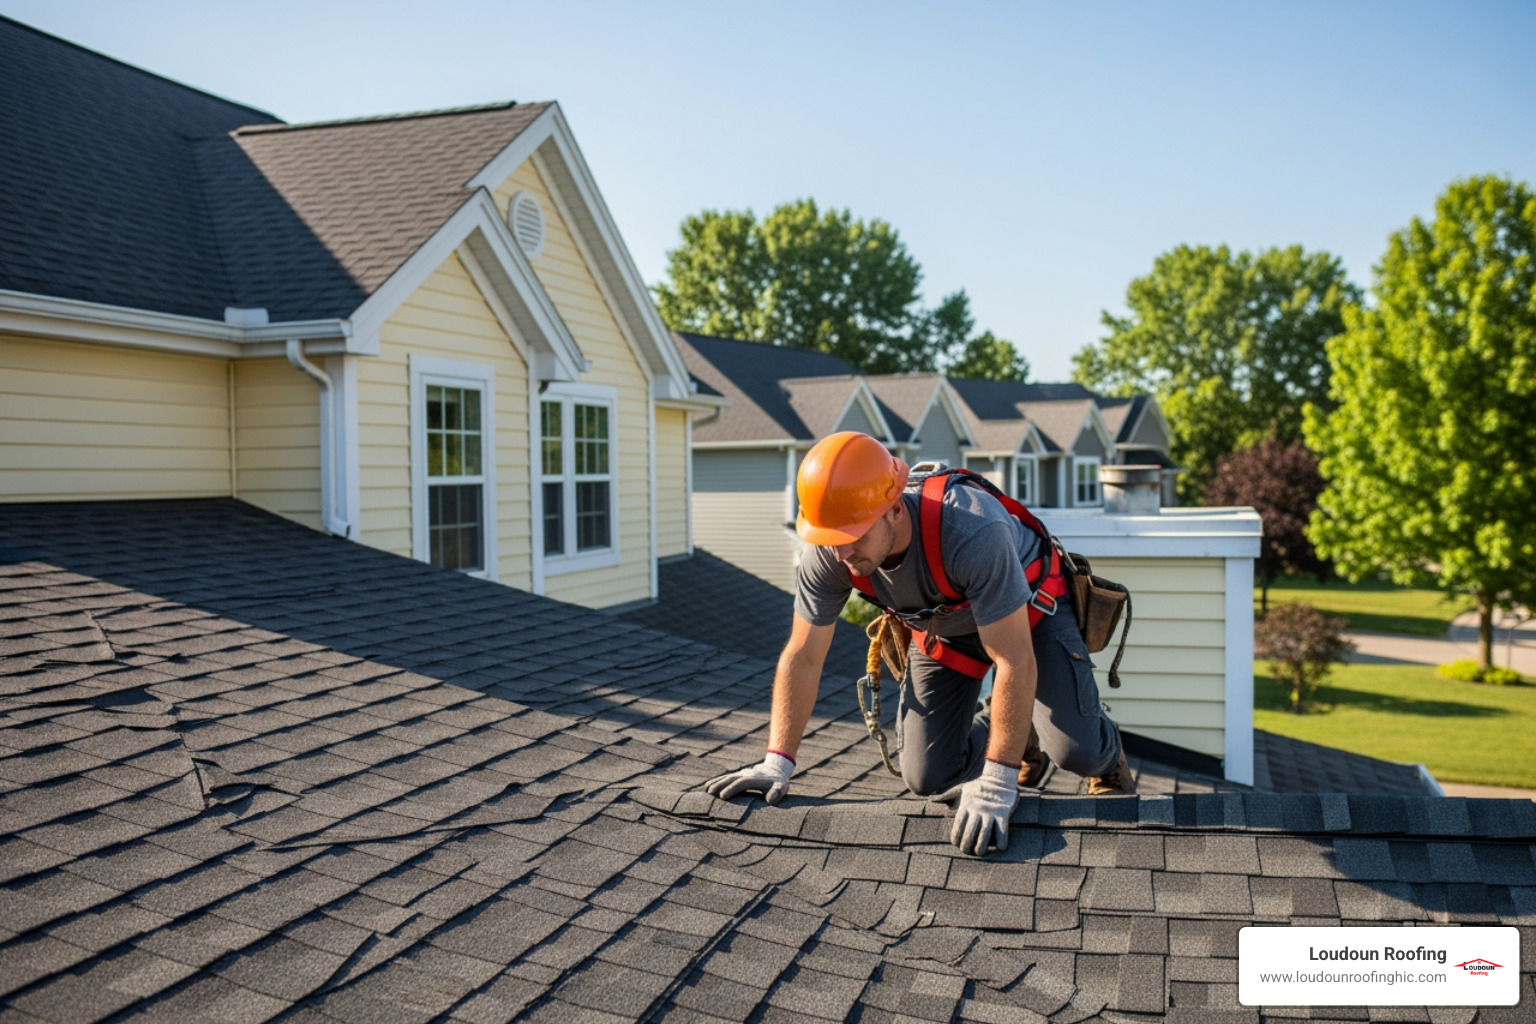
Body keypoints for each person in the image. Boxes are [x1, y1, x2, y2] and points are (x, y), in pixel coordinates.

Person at [704, 431, 1134, 856]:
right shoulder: (833, 547)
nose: (842, 554)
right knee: (927, 775)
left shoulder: (970, 528)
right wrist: (778, 760)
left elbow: (1014, 658)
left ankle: (1105, 754)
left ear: (894, 508)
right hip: (944, 629)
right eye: (830, 539)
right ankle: (1019, 737)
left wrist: (998, 782)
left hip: (1029, 618)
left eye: (854, 535)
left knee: (1075, 750)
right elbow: (803, 656)